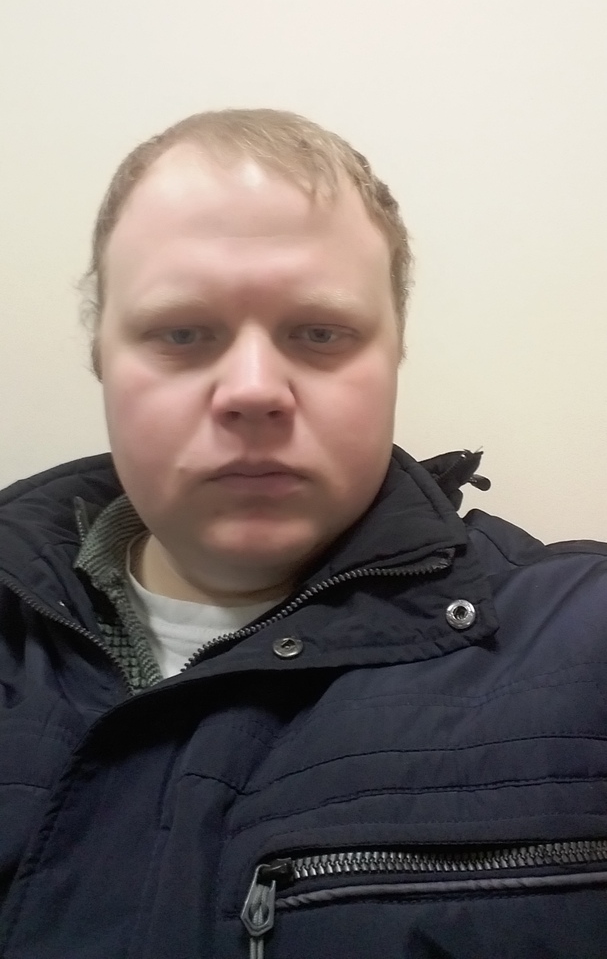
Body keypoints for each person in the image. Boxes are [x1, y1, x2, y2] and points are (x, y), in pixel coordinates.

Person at [0, 108, 606, 959]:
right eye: (182, 333)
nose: (253, 390)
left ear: (394, 353)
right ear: (102, 354)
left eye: (319, 333)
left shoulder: (583, 646)